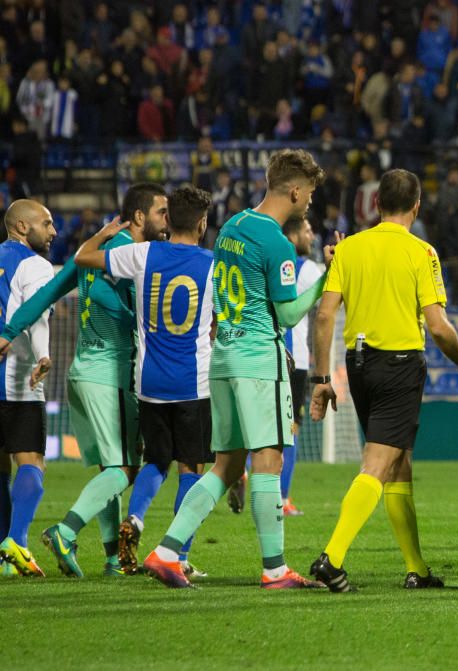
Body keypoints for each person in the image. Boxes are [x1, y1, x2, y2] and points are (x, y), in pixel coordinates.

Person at [143, 149, 329, 589]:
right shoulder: (276, 242)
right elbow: (286, 315)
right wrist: (324, 279)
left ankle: (167, 552)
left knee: (225, 467)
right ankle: (276, 569)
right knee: (268, 459)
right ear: (296, 189)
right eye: (311, 194)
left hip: (223, 359)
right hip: (258, 362)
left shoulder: (232, 226)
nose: (310, 203)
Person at [308, 169, 458, 593]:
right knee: (379, 463)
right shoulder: (421, 252)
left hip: (358, 363)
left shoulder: (349, 250)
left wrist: (322, 377)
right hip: (400, 365)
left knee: (400, 463)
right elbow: (439, 327)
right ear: (417, 206)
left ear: (377, 204)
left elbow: (326, 314)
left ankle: (416, 569)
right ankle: (331, 558)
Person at [0, 184, 168, 578]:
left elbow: (45, 297)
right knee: (125, 468)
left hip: (80, 375)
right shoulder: (137, 256)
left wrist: (9, 331)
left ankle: (112, 559)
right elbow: (144, 320)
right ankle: (65, 530)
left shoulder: (90, 253)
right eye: (161, 212)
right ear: (139, 216)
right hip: (113, 375)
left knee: (108, 470)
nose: (167, 221)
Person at [74, 186, 215, 579]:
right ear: (202, 224)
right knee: (191, 468)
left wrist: (103, 234)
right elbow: (219, 323)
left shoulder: (142, 253)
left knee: (154, 461)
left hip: (149, 383)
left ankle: (134, 518)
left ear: (168, 220)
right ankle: (178, 555)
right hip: (193, 384)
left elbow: (82, 258)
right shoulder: (211, 264)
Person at [0, 199, 56, 578]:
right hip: (17, 378)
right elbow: (35, 313)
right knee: (32, 463)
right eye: (46, 223)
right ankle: (14, 545)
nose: (53, 231)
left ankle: (3, 548)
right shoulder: (34, 264)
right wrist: (42, 355)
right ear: (22, 226)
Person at [279, 216, 325, 516]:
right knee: (291, 430)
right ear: (294, 235)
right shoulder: (308, 269)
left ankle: (243, 473)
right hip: (293, 361)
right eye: (308, 231)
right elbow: (331, 302)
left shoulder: (270, 265)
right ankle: (282, 499)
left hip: (266, 355)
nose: (312, 236)